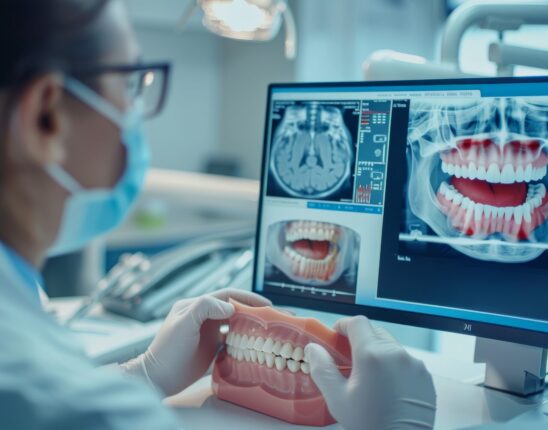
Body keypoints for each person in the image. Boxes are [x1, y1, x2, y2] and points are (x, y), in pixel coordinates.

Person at [0, 1, 436, 429]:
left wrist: (144, 374)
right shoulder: (58, 397)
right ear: (45, 117)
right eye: (130, 84)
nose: (136, 112)